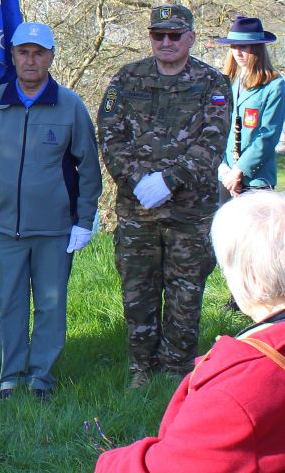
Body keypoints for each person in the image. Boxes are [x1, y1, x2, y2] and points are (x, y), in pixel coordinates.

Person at [0, 21, 103, 401]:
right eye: (23, 52)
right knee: (8, 304)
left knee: (50, 307)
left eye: (39, 53)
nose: (31, 60)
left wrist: (84, 220)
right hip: (6, 228)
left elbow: (89, 166)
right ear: (13, 56)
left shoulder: (70, 105)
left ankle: (41, 377)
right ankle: (10, 374)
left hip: (56, 229)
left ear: (51, 57)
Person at [95, 191, 285, 471]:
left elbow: (166, 467)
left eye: (226, 266)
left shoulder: (239, 389)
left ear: (253, 279)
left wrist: (108, 463)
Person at [99, 4, 231, 388]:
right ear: (151, 37)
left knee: (185, 294)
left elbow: (212, 142)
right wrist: (137, 180)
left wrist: (171, 180)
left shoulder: (212, 83)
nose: (167, 42)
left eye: (175, 35)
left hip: (190, 212)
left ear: (190, 37)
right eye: (159, 35)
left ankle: (176, 371)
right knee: (137, 291)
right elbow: (109, 135)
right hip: (138, 210)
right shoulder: (127, 79)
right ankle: (141, 369)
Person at [213, 16, 280, 197]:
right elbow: (218, 126)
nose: (238, 53)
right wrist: (223, 168)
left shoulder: (274, 85)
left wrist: (239, 171)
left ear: (257, 48)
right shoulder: (227, 81)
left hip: (255, 180)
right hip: (225, 177)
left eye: (244, 47)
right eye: (233, 47)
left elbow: (268, 135)